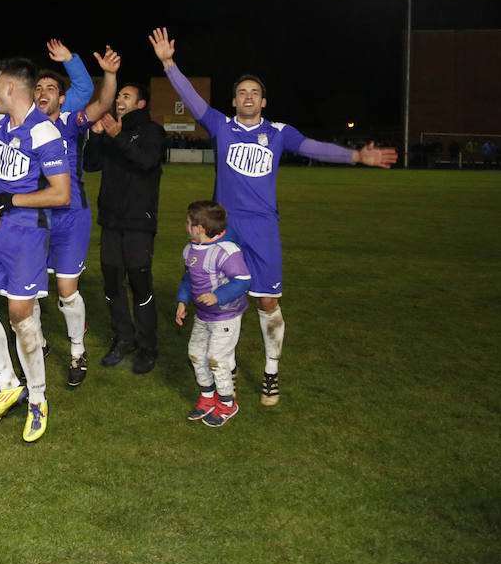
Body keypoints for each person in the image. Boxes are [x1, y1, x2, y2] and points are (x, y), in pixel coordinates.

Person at [149, 27, 397, 406]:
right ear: (234, 101)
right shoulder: (221, 126)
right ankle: (226, 364)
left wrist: (356, 156)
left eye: (255, 93)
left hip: (263, 229)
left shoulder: (279, 132)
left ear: (264, 102)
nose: (248, 97)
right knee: (222, 300)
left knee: (266, 303)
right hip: (224, 230)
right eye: (242, 93)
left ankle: (270, 372)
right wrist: (168, 63)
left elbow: (314, 147)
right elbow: (192, 100)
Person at [0, 58, 70, 442]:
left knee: (22, 316)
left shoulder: (46, 134)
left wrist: (11, 201)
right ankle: (9, 383)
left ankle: (38, 397)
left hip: (26, 232)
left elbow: (60, 193)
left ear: (10, 88)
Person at [33, 40, 119, 387]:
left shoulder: (70, 121)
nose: (43, 92)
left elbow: (101, 104)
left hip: (71, 216)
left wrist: (109, 74)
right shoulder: (24, 125)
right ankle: (35, 341)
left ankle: (77, 351)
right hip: (35, 218)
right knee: (33, 290)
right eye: (38, 88)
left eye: (50, 88)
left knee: (67, 290)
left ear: (62, 98)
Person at [83, 81, 166, 373]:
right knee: (111, 284)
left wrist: (118, 136)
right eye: (118, 96)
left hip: (138, 222)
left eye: (126, 96)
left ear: (141, 104)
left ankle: (148, 346)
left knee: (140, 284)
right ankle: (124, 337)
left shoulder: (152, 131)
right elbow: (90, 165)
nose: (119, 100)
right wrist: (95, 137)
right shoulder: (110, 129)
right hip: (111, 221)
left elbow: (146, 161)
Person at [175, 200, 252, 427]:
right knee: (196, 354)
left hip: (226, 317)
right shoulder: (190, 249)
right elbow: (189, 279)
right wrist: (182, 301)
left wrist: (218, 296)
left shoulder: (227, 252)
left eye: (189, 223)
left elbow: (243, 280)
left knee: (217, 359)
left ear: (199, 228)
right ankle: (208, 398)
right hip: (203, 316)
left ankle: (227, 403)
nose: (186, 226)